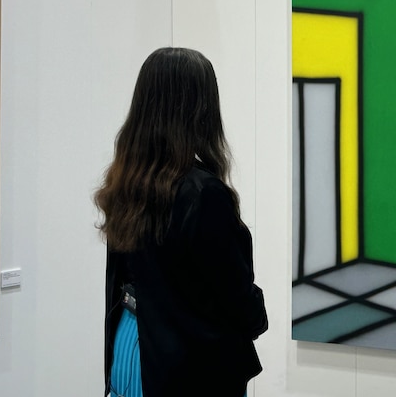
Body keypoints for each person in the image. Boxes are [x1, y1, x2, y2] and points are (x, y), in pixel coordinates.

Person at [95, 47, 268, 396]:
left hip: (131, 346)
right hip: (187, 365)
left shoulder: (125, 182)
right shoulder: (202, 193)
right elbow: (237, 300)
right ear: (200, 109)